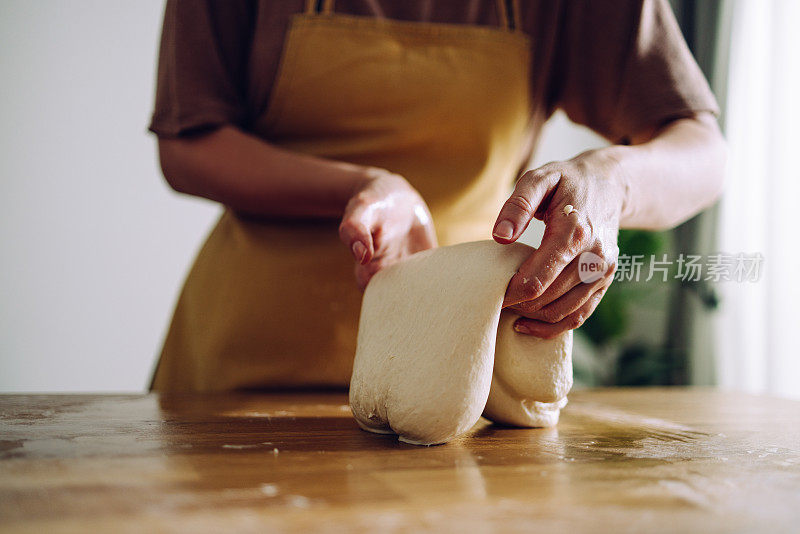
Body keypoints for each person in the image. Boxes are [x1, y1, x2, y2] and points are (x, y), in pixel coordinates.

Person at [148, 0, 725, 392]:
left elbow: (703, 153)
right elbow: (188, 142)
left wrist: (610, 180)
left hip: (457, 364)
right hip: (245, 358)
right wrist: (360, 187)